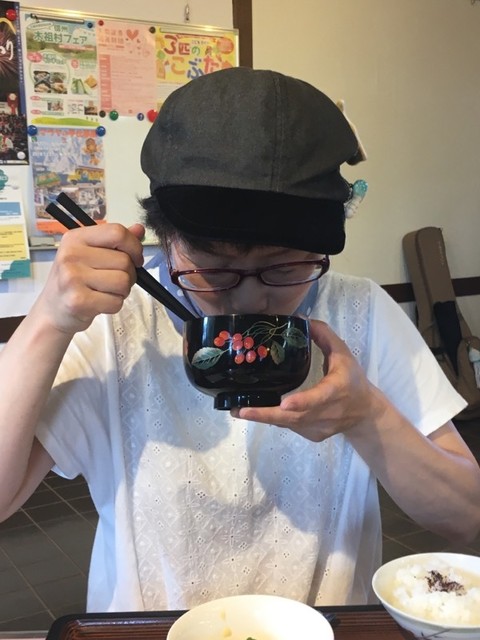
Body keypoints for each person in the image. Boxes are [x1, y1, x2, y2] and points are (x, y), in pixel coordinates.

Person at [0, 67, 479, 612]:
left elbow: (465, 516)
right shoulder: (113, 322)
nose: (249, 301)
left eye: (284, 268)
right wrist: (49, 319)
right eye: (215, 268)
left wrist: (367, 416)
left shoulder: (361, 312)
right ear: (165, 239)